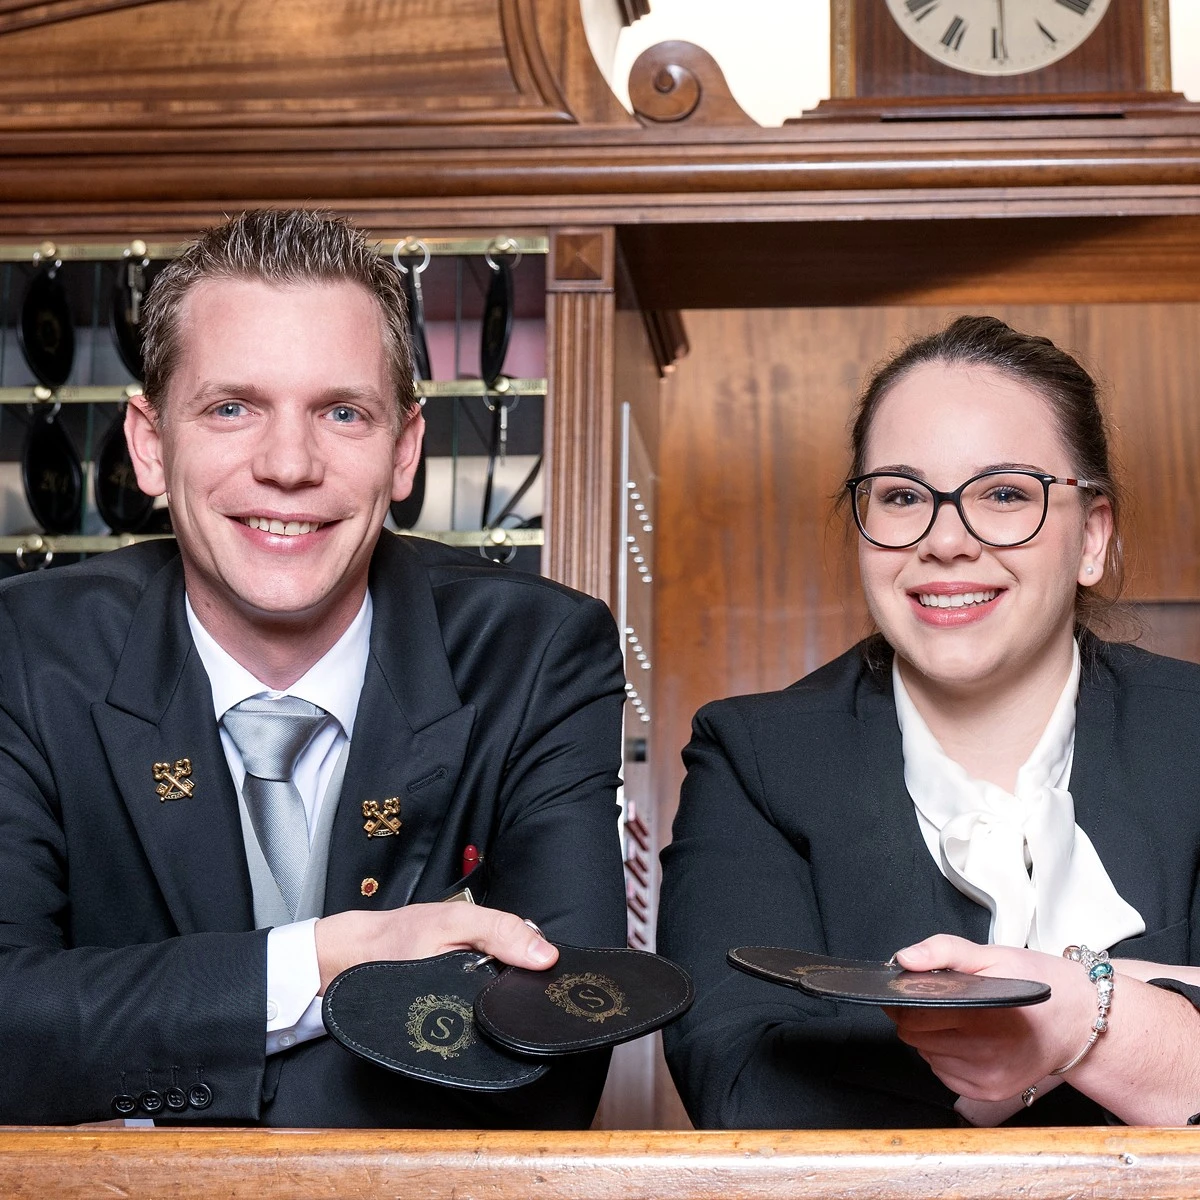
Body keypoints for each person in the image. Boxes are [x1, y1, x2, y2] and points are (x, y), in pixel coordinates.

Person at [0, 209, 627, 1127]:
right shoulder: (24, 653)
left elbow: (558, 1040)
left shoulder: (536, 655)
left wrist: (124, 1053)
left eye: (342, 412)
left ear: (404, 449)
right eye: (230, 408)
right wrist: (323, 964)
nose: (288, 465)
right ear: (149, 445)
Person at [659, 315, 1200, 1129]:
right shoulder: (754, 758)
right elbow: (743, 1093)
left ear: (1091, 537)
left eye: (1006, 493)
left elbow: (812, 1078)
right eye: (904, 496)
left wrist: (1068, 1021)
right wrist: (1137, 1020)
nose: (946, 540)